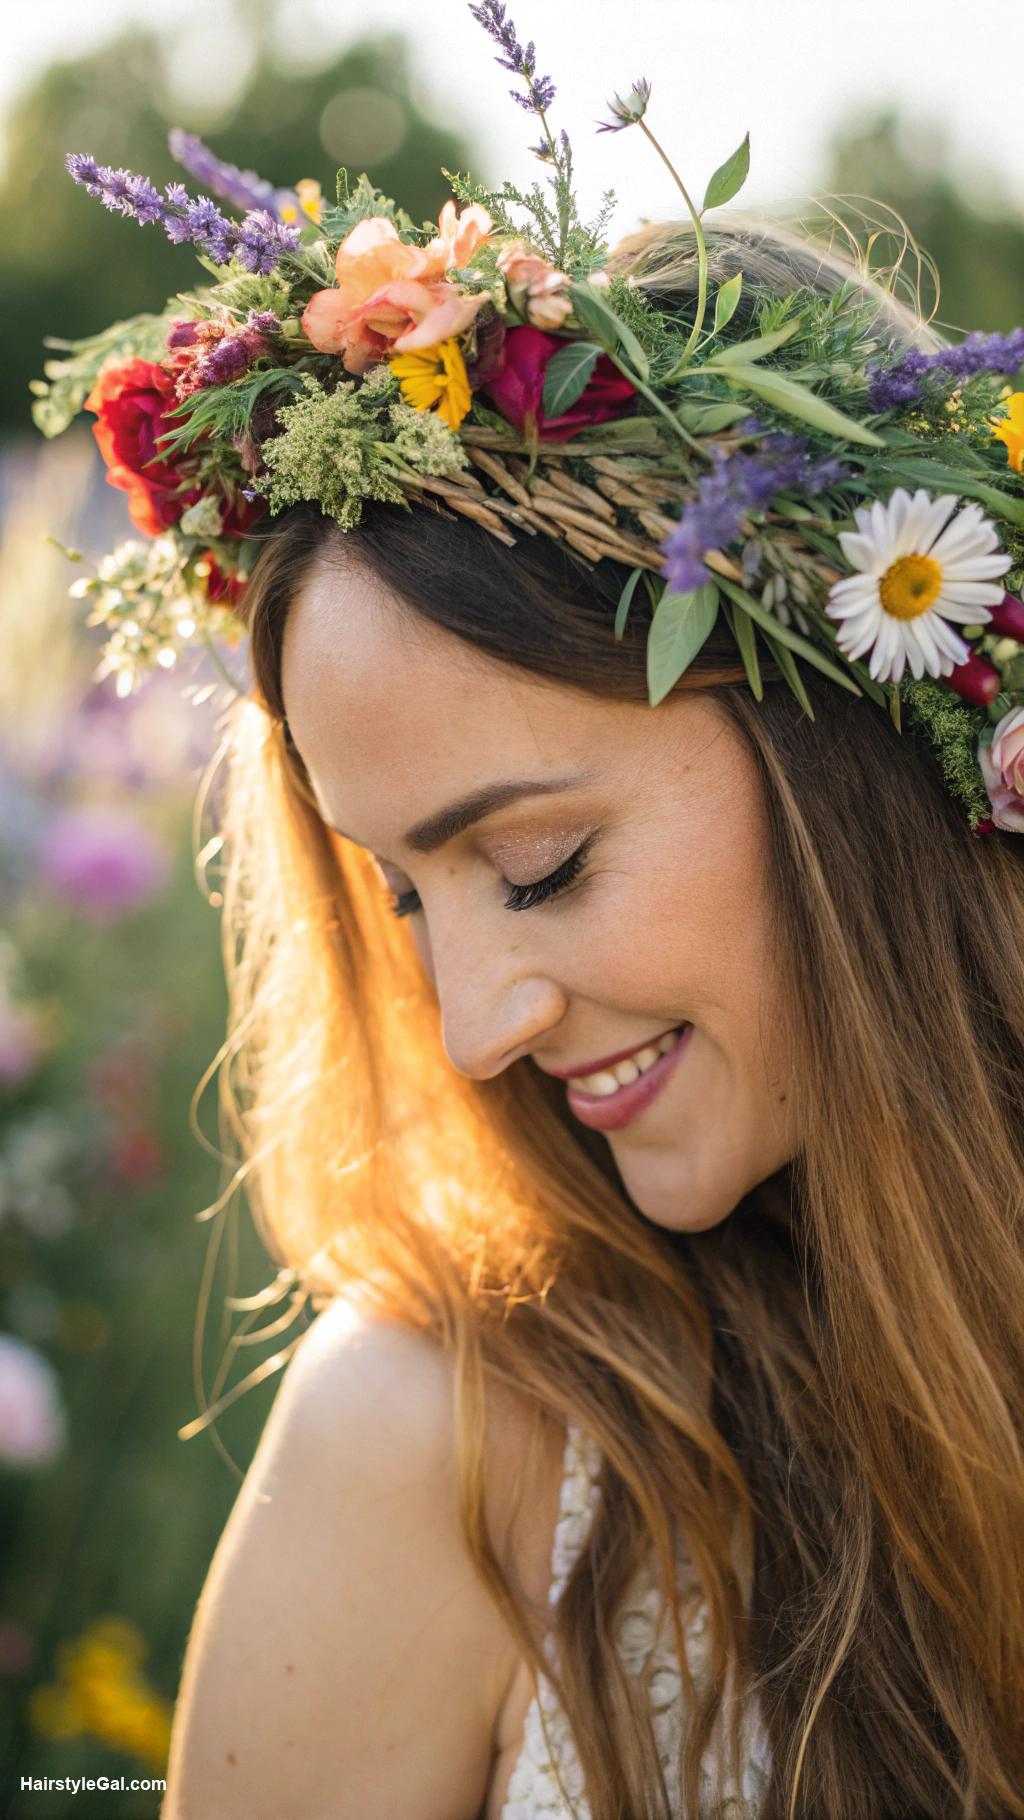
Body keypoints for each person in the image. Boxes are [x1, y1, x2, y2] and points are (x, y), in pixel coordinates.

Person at [43, 13, 1024, 1811]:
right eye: (405, 898)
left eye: (542, 865)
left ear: (852, 742)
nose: (477, 1026)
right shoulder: (436, 1464)